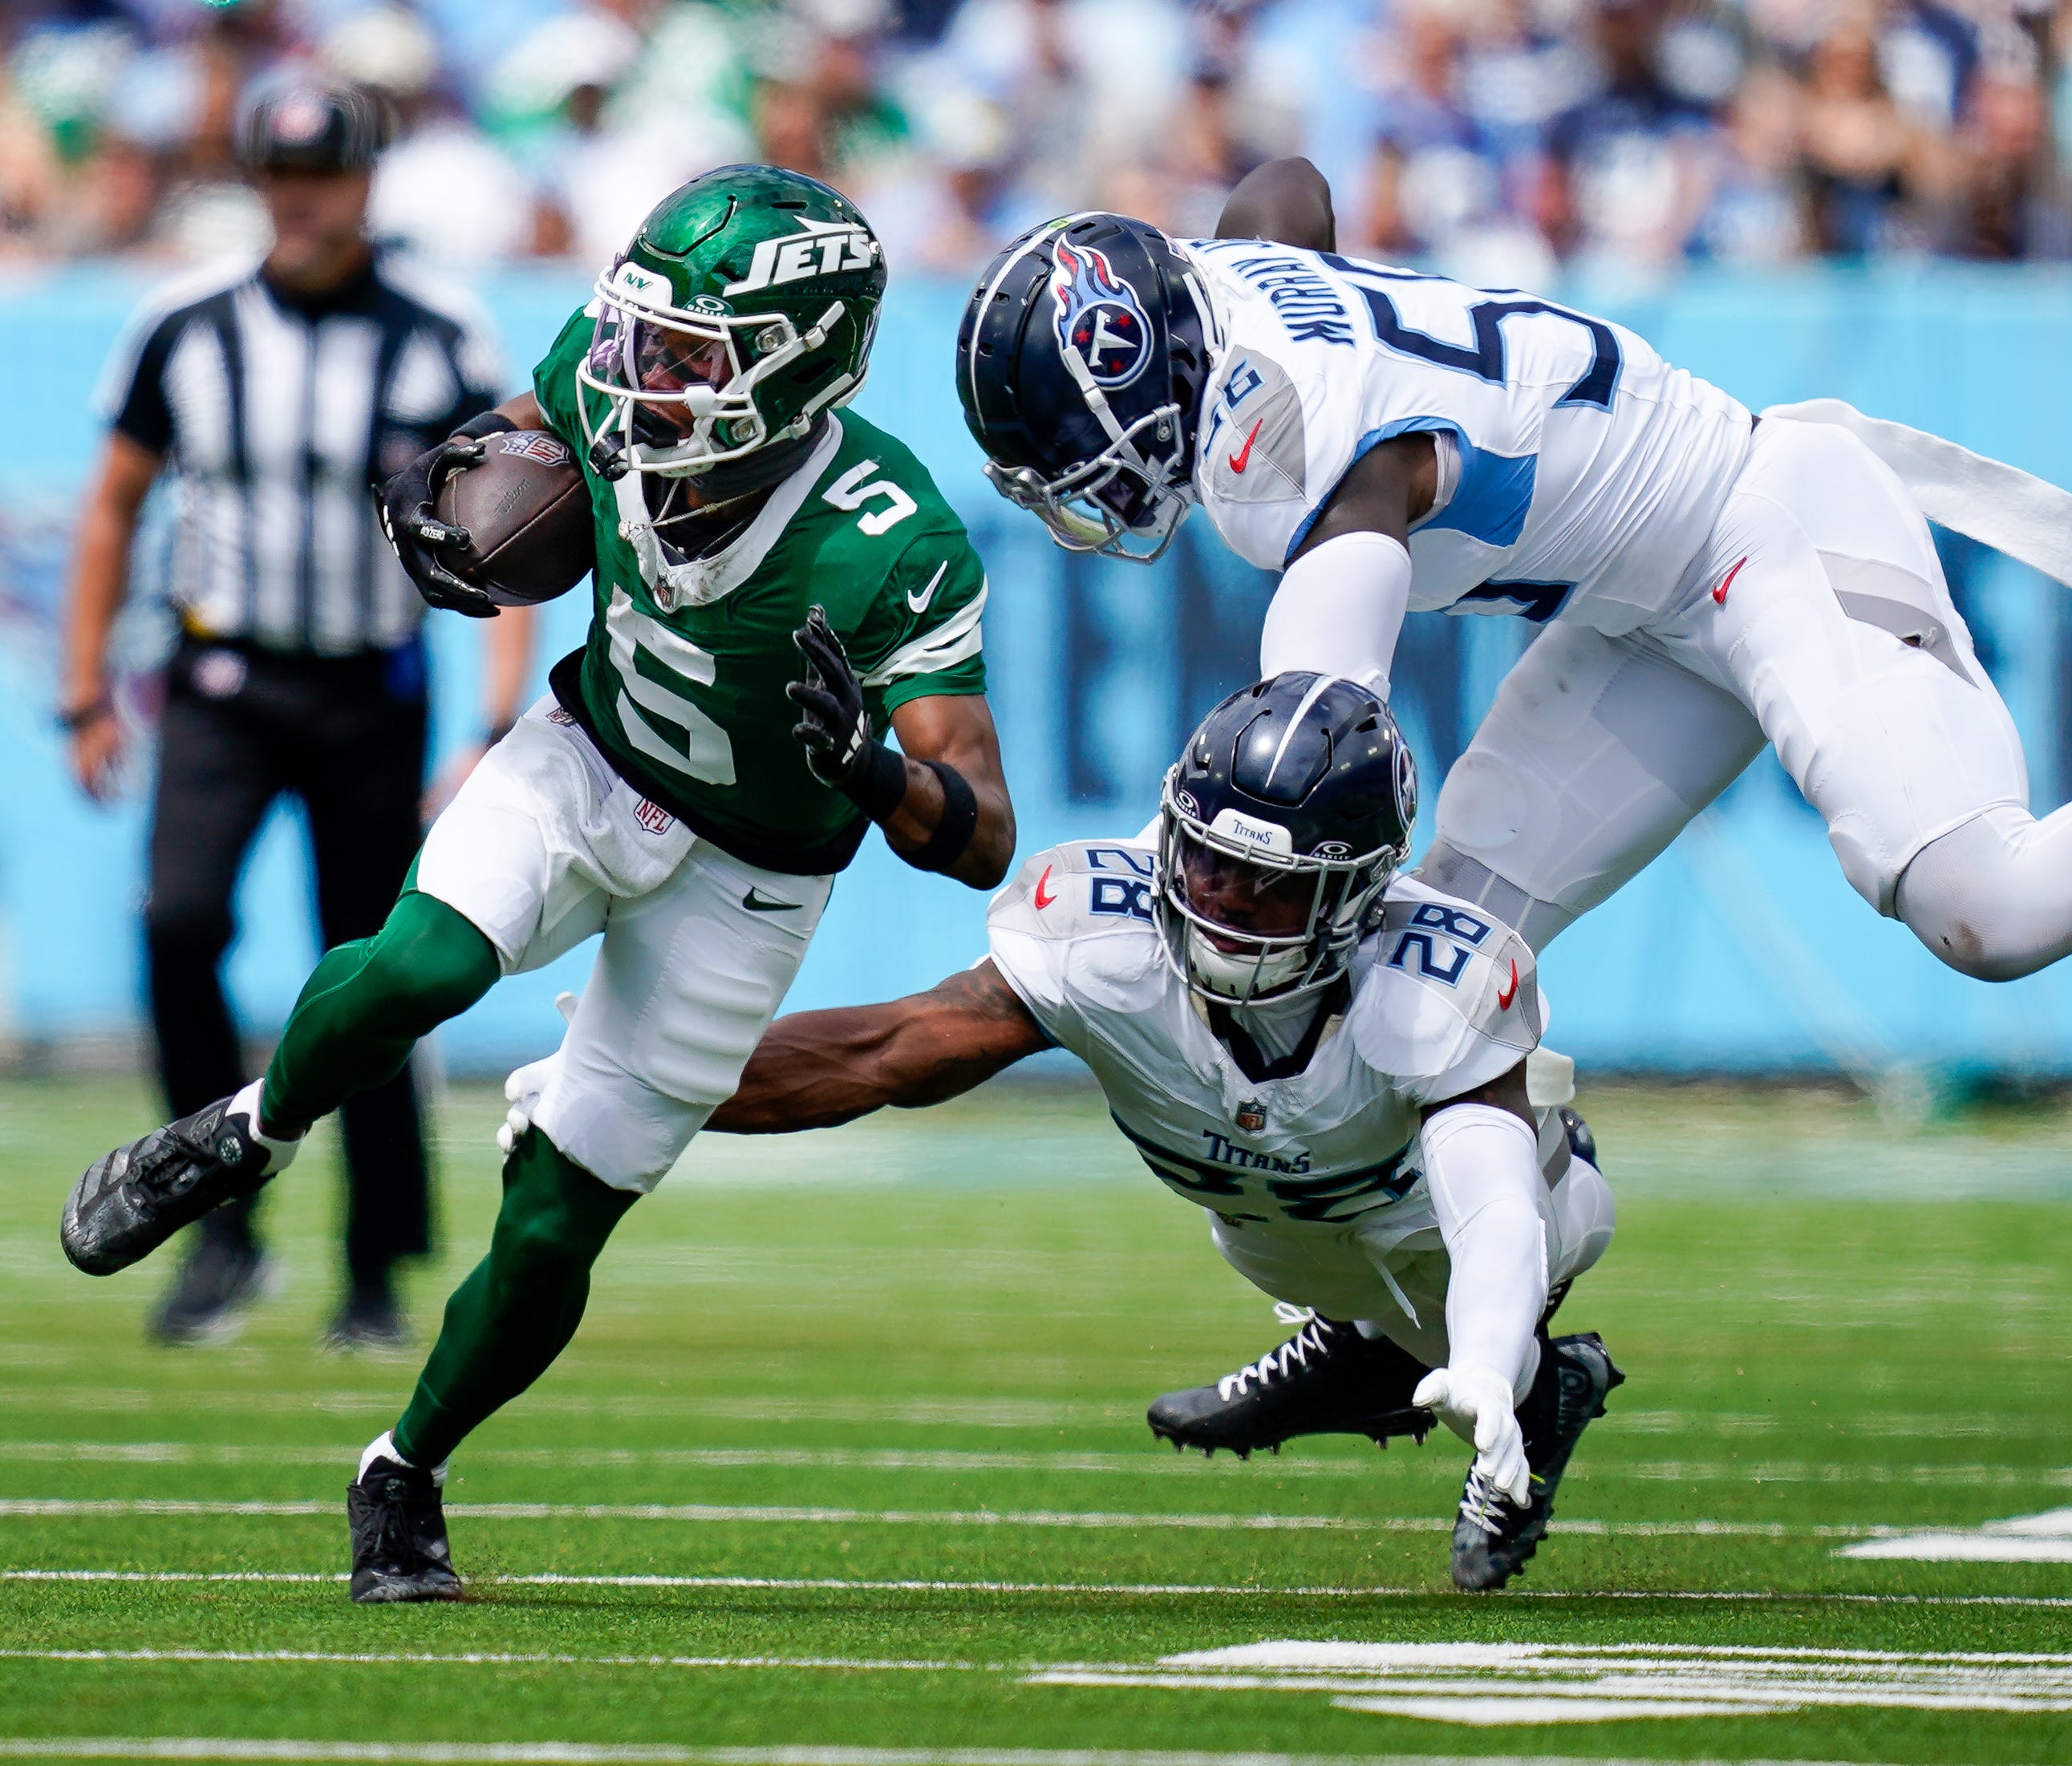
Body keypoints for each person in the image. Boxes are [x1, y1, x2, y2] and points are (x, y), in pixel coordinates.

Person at [952, 163, 2072, 1009]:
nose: (1090, 501)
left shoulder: (1301, 467)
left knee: (1985, 905)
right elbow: (1284, 197)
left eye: (1084, 460)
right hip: (1644, 602)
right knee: (1431, 964)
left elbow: (1323, 746)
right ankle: (1441, 1335)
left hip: (1763, 529)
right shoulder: (1232, 285)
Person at [59, 164, 1018, 1605]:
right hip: (587, 755)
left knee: (561, 1220)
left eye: (692, 354)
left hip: (752, 874)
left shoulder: (891, 537)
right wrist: (452, 466)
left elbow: (985, 828)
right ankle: (248, 1134)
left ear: (798, 366)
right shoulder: (618, 373)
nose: (643, 374)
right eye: (643, 333)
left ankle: (403, 1468)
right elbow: (539, 414)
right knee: (422, 965)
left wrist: (881, 774)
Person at [640, 674, 1623, 1592]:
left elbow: (1495, 1208)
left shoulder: (1429, 988)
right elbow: (881, 1050)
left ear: (1354, 893)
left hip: (1443, 1228)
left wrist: (1492, 1358)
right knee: (1346, 1289)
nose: (1224, 899)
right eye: (1207, 860)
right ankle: (1374, 1350)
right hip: (1278, 1237)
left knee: (1482, 1363)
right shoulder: (1106, 940)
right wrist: (639, 1079)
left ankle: (1485, 1374)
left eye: (1267, 883)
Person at [58, 81, 525, 1349]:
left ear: (368, 179)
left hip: (369, 688)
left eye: (322, 172)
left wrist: (489, 724)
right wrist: (83, 689)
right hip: (222, 681)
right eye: (280, 172)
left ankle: (373, 1266)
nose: (301, 195)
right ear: (255, 180)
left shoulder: (437, 332)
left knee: (369, 979)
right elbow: (112, 502)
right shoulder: (187, 325)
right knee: (179, 923)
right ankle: (216, 1231)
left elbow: (513, 525)